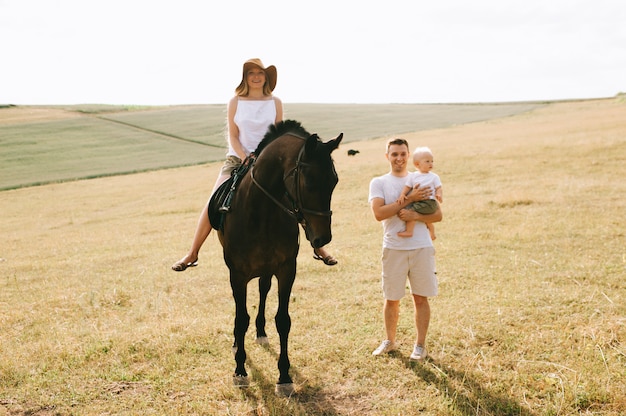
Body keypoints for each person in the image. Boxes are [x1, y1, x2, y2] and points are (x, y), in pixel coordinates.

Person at [172, 58, 336, 271]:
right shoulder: (235, 102)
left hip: (269, 160)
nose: (256, 77)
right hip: (237, 158)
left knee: (296, 194)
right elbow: (233, 135)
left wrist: (270, 156)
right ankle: (192, 253)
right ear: (245, 77)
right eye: (251, 73)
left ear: (266, 77)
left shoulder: (275, 102)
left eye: (260, 73)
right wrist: (244, 155)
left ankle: (317, 247)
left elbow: (279, 133)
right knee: (214, 199)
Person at [369, 138, 442, 361]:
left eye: (402, 154)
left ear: (408, 155)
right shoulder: (379, 182)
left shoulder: (420, 177)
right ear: (387, 156)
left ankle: (420, 346)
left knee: (421, 298)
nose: (399, 158)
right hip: (393, 248)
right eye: (394, 154)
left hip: (421, 247)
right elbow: (379, 213)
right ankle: (390, 341)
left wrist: (416, 215)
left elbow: (438, 215)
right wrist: (408, 199)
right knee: (392, 298)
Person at [396, 147, 442, 240]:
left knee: (410, 211)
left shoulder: (434, 177)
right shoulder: (413, 176)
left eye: (432, 161)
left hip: (429, 202)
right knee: (426, 220)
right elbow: (407, 186)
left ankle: (409, 231)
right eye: (427, 161)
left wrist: (439, 194)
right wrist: (402, 194)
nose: (431, 164)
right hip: (419, 202)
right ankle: (432, 233)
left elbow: (438, 187)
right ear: (417, 164)